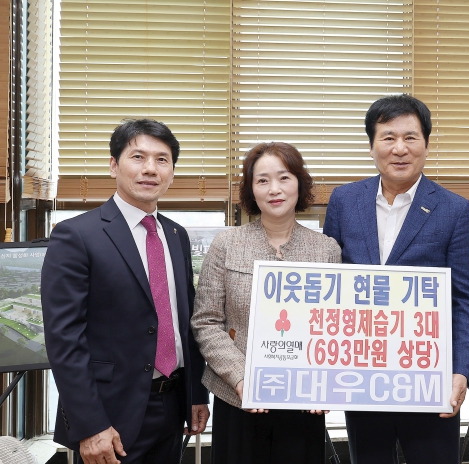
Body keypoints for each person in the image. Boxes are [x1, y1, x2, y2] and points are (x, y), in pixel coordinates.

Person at [323, 94, 469, 464]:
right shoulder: (344, 201)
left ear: (426, 144)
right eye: (388, 137)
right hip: (361, 375)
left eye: (410, 137)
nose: (399, 148)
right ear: (371, 146)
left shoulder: (454, 209)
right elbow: (330, 285)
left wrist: (460, 371)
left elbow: (465, 299)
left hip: (429, 376)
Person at [41, 119, 210, 464]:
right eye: (138, 157)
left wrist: (196, 393)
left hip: (172, 406)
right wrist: (90, 425)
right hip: (109, 414)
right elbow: (64, 339)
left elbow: (184, 322)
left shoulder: (176, 235)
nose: (150, 169)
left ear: (172, 172)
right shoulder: (77, 235)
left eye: (162, 159)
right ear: (114, 165)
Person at [191, 142, 341, 463]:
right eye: (262, 180)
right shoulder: (227, 244)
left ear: (299, 183)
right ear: (251, 189)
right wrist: (241, 376)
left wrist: (326, 384)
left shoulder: (326, 249)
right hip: (238, 399)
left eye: (284, 178)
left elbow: (335, 326)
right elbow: (206, 322)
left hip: (305, 403)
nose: (274, 189)